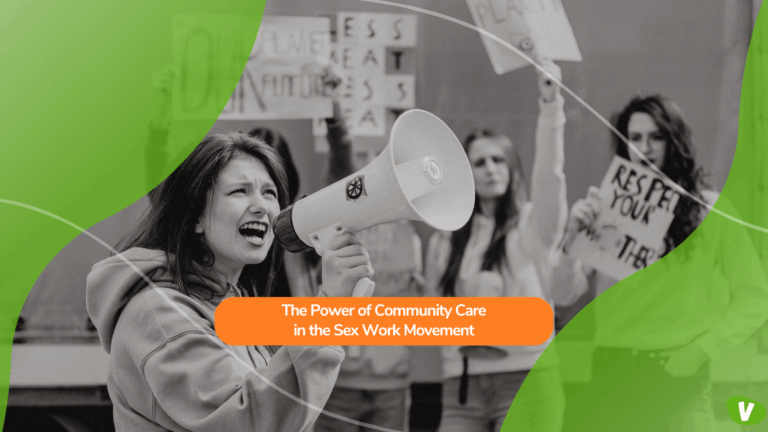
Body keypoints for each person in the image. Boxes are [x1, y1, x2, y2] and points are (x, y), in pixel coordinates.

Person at [86, 131, 374, 431]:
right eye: (239, 191)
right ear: (195, 216)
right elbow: (248, 419)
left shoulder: (233, 301)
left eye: (269, 193)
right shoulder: (157, 313)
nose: (261, 206)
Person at [558, 95, 768, 431]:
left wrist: (702, 350)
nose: (645, 148)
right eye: (635, 137)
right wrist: (570, 243)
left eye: (656, 137)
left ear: (675, 141)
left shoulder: (709, 208)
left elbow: (756, 296)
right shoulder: (606, 206)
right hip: (612, 373)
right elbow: (563, 294)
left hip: (679, 376)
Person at [423, 60, 584, 432]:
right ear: (466, 174)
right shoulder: (446, 238)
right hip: (461, 383)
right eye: (479, 162)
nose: (491, 168)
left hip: (528, 378)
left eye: (498, 159)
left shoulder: (533, 223)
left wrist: (551, 106)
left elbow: (550, 176)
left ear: (512, 167)